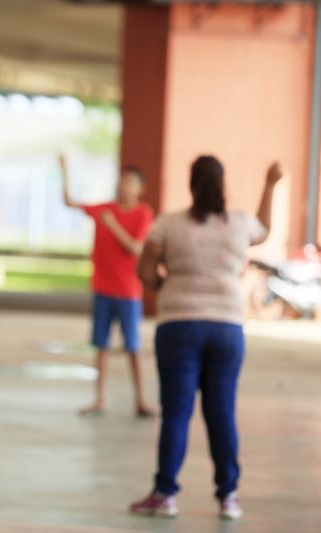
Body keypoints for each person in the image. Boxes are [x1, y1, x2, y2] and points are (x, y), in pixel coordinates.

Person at [130, 156, 284, 520]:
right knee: (221, 413)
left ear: (191, 184)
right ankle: (228, 497)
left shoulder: (167, 224)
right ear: (222, 184)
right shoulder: (239, 224)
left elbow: (145, 270)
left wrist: (165, 284)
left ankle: (165, 493)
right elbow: (264, 228)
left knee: (177, 413)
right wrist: (270, 183)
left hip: (178, 326)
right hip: (227, 328)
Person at [59, 154, 154, 417]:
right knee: (101, 345)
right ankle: (99, 399)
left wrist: (112, 226)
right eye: (121, 181)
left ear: (140, 188)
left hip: (129, 293)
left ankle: (140, 401)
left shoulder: (143, 214)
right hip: (103, 289)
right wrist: (64, 170)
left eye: (130, 182)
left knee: (133, 348)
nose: (124, 186)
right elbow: (69, 202)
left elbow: (136, 248)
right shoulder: (104, 208)